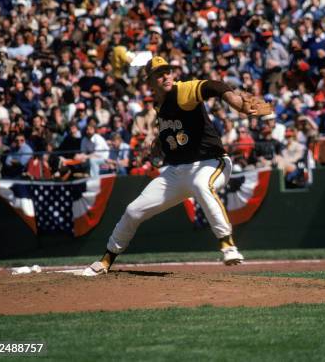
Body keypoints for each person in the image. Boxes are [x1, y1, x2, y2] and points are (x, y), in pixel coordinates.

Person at [85, 56, 265, 276]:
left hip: (211, 162)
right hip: (177, 171)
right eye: (159, 74)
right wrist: (159, 142)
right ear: (150, 82)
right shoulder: (159, 105)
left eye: (168, 71)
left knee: (201, 185)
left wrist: (235, 102)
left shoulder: (182, 91)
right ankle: (106, 259)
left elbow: (213, 86)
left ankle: (228, 245)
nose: (166, 76)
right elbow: (173, 128)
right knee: (133, 210)